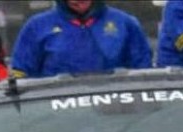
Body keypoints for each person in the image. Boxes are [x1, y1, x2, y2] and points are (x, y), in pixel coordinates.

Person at [9, 0, 152, 79]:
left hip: (114, 108)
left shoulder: (125, 23)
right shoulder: (37, 26)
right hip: (56, 111)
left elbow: (143, 71)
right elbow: (21, 73)